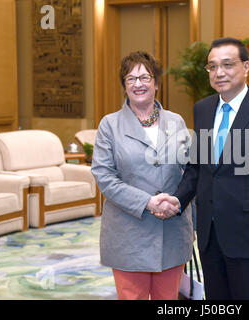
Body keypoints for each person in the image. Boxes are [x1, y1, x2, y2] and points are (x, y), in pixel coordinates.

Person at [158, 37, 249, 300]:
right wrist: (177, 199)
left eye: (228, 65)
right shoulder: (203, 109)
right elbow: (198, 168)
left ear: (246, 67)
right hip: (210, 233)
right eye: (212, 66)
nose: (219, 72)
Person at [91, 51, 194, 300]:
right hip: (129, 235)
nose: (138, 84)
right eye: (131, 79)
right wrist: (147, 202)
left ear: (157, 83)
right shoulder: (110, 125)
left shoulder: (176, 122)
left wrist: (178, 203)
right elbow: (104, 176)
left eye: (145, 77)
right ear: (124, 86)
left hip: (173, 230)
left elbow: (191, 171)